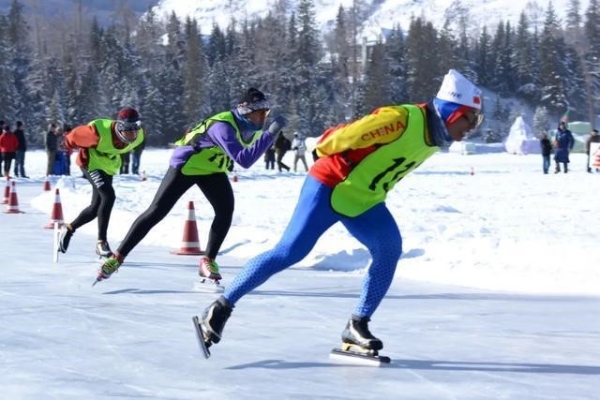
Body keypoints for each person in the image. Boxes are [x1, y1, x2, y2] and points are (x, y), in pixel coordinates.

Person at [196, 69, 484, 356]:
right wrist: (323, 155)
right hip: (329, 186)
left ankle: (357, 325)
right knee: (290, 251)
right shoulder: (400, 119)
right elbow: (341, 137)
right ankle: (221, 308)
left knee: (389, 249)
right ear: (452, 113)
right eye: (471, 118)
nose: (473, 126)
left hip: (364, 200)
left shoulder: (434, 136)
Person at [96, 88, 287, 283]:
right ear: (246, 111)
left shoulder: (252, 128)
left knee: (225, 211)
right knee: (156, 211)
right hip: (187, 165)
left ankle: (208, 261)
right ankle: (117, 257)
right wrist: (271, 133)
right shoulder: (223, 126)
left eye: (267, 113)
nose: (264, 117)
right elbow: (244, 160)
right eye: (261, 113)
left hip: (211, 169)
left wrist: (267, 134)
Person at [58, 107, 145, 258]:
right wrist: (65, 144)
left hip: (107, 166)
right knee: (109, 196)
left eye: (135, 129)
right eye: (128, 130)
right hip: (90, 164)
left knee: (95, 207)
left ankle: (69, 229)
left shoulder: (139, 136)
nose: (133, 135)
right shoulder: (97, 133)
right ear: (120, 127)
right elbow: (73, 136)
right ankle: (101, 242)